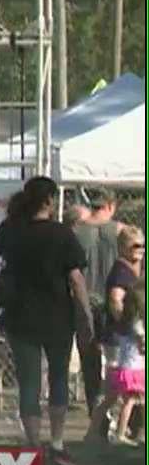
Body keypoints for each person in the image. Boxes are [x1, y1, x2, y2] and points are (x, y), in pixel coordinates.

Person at [0, 176, 93, 465]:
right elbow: (76, 278)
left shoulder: (11, 230)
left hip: (20, 316)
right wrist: (85, 314)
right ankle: (58, 443)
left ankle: (33, 444)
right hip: (57, 317)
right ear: (50, 200)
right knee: (58, 378)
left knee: (28, 382)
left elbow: (1, 251)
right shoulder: (61, 235)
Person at [86, 226, 146, 442]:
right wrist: (133, 328)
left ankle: (127, 430)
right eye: (135, 245)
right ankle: (101, 432)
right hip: (121, 341)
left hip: (128, 339)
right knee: (115, 391)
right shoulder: (121, 271)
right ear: (122, 247)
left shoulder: (135, 268)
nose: (140, 249)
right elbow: (115, 301)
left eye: (142, 245)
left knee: (127, 391)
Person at [72, 188, 125, 418]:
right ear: (111, 206)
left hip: (84, 304)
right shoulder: (122, 232)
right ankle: (125, 414)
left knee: (90, 363)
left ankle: (97, 413)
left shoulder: (74, 232)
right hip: (117, 303)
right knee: (122, 360)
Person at [102, 288, 145, 446]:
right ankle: (121, 433)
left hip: (126, 367)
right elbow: (142, 346)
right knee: (130, 401)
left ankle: (124, 432)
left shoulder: (123, 324)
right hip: (135, 368)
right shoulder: (137, 324)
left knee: (132, 401)